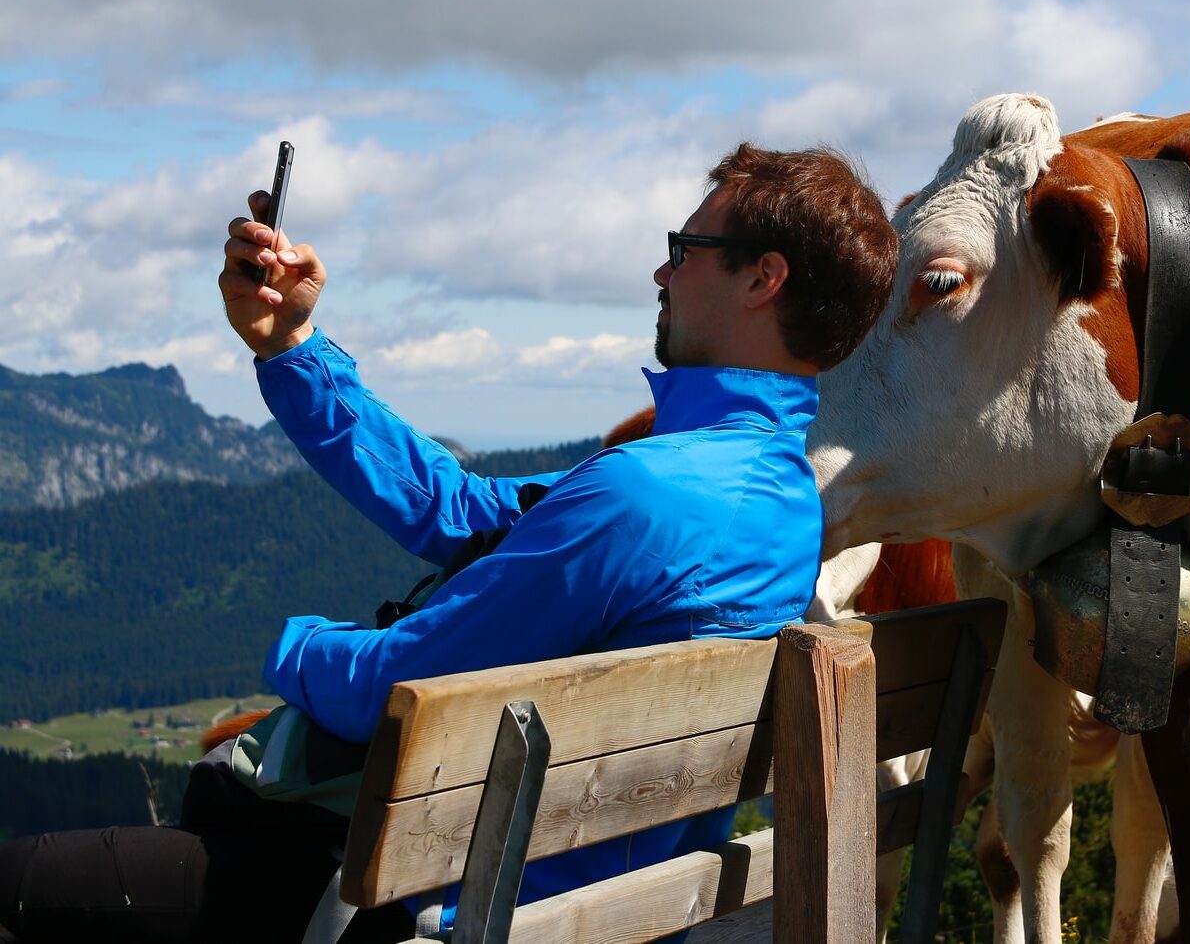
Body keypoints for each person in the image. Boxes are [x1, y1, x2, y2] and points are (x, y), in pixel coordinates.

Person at [0, 143, 896, 943]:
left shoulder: (647, 493)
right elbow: (465, 508)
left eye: (683, 249)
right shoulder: (773, 497)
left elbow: (396, 685)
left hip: (467, 903)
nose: (662, 275)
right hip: (590, 897)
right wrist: (292, 346)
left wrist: (292, 647)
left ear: (761, 278)